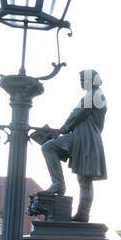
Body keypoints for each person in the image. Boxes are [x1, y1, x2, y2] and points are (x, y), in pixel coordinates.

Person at [36, 69, 108, 222]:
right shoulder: (97, 94)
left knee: (48, 147)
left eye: (84, 79)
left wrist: (61, 130)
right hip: (89, 138)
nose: (81, 83)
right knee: (85, 180)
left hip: (83, 137)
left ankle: (58, 185)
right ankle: (83, 214)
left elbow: (78, 114)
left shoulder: (94, 94)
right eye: (81, 80)